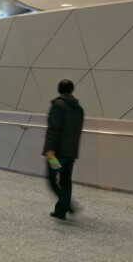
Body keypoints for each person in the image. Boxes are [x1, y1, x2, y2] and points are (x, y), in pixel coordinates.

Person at [43, 78, 84, 221]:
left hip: (56, 154)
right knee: (66, 181)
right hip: (70, 153)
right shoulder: (79, 109)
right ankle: (61, 211)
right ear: (71, 90)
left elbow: (53, 130)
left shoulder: (58, 105)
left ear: (59, 89)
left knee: (52, 179)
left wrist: (50, 150)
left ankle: (68, 205)